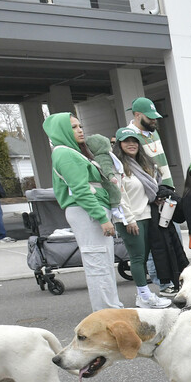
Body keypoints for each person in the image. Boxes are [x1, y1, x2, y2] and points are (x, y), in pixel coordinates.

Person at [46, 112, 123, 314]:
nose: (80, 130)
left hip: (91, 211)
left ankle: (111, 309)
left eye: (80, 126)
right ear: (61, 130)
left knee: (104, 263)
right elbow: (79, 190)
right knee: (97, 264)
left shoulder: (72, 152)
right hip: (87, 212)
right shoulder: (65, 153)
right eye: (73, 127)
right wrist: (102, 217)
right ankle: (107, 312)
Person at [113, 129, 181, 296]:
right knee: (137, 258)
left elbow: (148, 190)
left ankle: (145, 295)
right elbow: (118, 195)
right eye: (126, 141)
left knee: (144, 258)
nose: (131, 144)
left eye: (134, 140)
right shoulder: (117, 167)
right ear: (119, 145)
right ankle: (143, 296)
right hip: (130, 219)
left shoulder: (145, 165)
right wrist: (129, 219)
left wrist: (156, 199)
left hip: (147, 216)